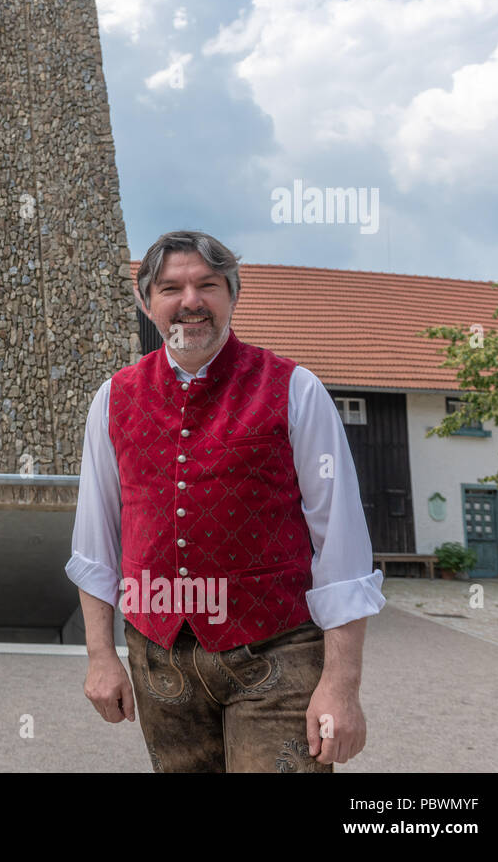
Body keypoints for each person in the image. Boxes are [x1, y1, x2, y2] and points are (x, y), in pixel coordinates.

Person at [68, 230, 385, 772]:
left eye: (206, 285)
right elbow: (96, 541)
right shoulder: (113, 397)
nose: (190, 301)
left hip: (277, 651)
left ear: (232, 295)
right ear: (148, 302)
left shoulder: (295, 389)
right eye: (171, 288)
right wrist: (101, 656)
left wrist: (341, 684)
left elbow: (342, 546)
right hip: (159, 657)